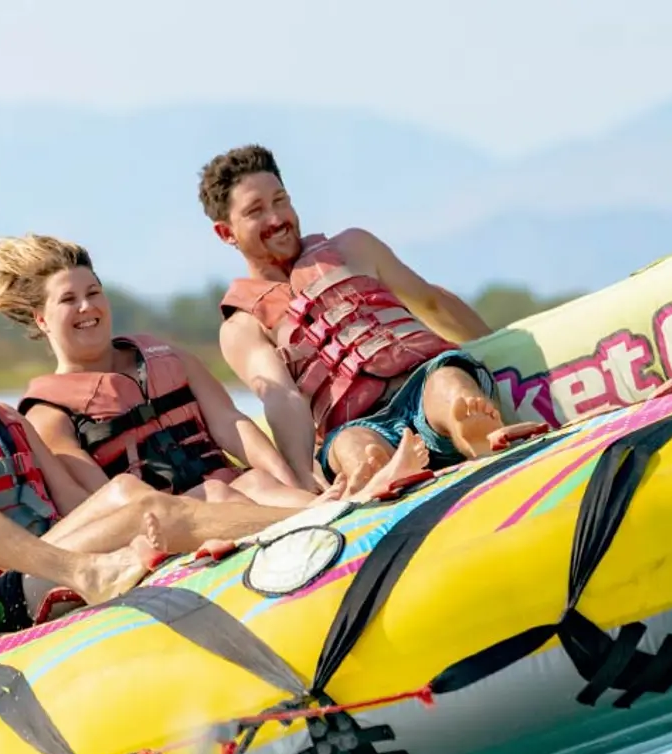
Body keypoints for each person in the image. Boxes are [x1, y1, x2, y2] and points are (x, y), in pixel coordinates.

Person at [0, 269, 301, 636]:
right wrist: (84, 562)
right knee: (154, 511)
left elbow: (78, 504)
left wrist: (121, 533)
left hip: (52, 557)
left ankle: (332, 511)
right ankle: (310, 523)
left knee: (134, 491)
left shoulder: (1, 418)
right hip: (0, 595)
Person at [199, 144, 543, 495]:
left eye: (280, 200)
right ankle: (381, 472)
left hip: (421, 381)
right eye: (256, 211)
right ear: (226, 233)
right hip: (354, 423)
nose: (276, 219)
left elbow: (431, 302)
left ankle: (476, 435)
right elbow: (282, 399)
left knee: (451, 387)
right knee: (353, 449)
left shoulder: (353, 247)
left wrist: (507, 353)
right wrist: (305, 478)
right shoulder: (242, 326)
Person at [0, 233, 337, 508]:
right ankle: (317, 511)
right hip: (181, 521)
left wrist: (292, 482)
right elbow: (110, 504)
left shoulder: (164, 355)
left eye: (94, 292)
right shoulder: (49, 413)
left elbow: (231, 422)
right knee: (224, 493)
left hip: (246, 490)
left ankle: (317, 507)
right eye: (68, 299)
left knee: (253, 483)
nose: (87, 307)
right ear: (41, 320)